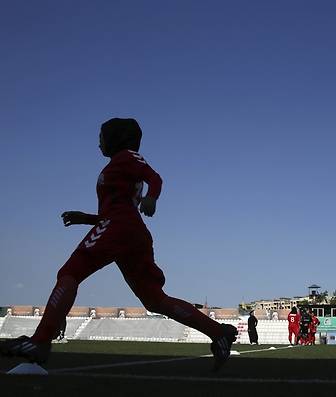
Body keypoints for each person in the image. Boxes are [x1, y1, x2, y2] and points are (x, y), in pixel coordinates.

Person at [0, 118, 237, 369]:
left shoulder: (127, 156)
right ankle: (218, 332)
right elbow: (119, 204)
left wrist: (151, 198)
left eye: (102, 136)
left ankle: (40, 341)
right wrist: (87, 219)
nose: (98, 141)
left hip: (119, 226)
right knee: (154, 299)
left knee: (69, 273)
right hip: (129, 231)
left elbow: (155, 178)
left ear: (117, 138)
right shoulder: (121, 163)